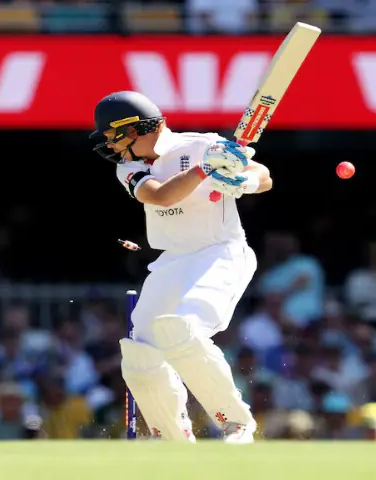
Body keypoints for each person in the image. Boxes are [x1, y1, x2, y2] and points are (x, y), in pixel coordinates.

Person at [91, 91, 272, 443]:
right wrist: (207, 170)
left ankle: (236, 423)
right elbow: (161, 196)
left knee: (181, 330)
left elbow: (264, 176)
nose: (111, 145)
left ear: (135, 129)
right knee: (138, 353)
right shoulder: (129, 166)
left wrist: (240, 180)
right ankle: (172, 439)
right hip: (172, 260)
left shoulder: (203, 145)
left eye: (113, 135)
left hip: (220, 253)